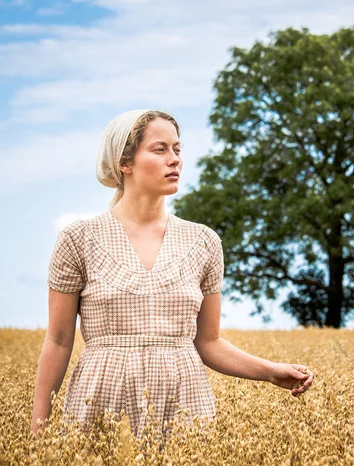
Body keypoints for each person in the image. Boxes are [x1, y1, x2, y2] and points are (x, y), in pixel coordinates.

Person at [30, 109, 314, 443]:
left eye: (177, 150)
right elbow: (59, 341)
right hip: (99, 400)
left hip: (185, 404)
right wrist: (39, 432)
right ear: (124, 162)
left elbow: (208, 343)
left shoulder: (203, 241)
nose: (174, 160)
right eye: (160, 149)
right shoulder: (79, 238)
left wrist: (270, 372)